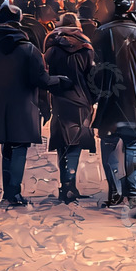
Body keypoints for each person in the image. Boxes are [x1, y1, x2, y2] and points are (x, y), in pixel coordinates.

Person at [0, 3, 67, 207]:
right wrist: (61, 81)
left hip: (0, 106)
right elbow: (41, 80)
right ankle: (14, 192)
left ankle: (8, 191)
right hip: (23, 105)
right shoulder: (29, 49)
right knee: (19, 147)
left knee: (7, 149)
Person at [93, 0, 136, 206]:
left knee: (109, 144)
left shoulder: (101, 32)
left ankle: (114, 190)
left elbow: (93, 67)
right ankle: (135, 193)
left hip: (108, 99)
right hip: (132, 100)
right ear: (130, 6)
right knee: (134, 144)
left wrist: (96, 92)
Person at [44, 12, 96, 203]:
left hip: (59, 100)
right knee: (75, 144)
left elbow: (46, 75)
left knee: (62, 144)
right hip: (81, 100)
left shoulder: (51, 49)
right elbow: (92, 76)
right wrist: (94, 98)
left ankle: (65, 185)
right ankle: (69, 185)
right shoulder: (86, 48)